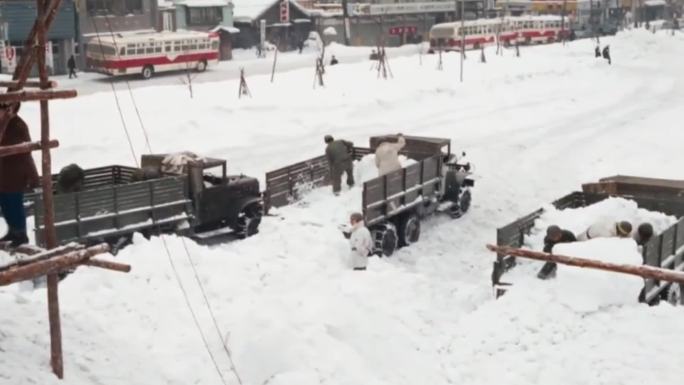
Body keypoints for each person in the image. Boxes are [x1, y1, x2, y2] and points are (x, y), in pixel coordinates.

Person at [0, 103, 40, 247]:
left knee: (14, 203)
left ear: (8, 110)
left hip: (16, 172)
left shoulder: (18, 125)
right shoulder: (4, 123)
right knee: (5, 204)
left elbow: (23, 150)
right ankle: (12, 230)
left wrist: (33, 177)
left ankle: (21, 234)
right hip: (4, 173)